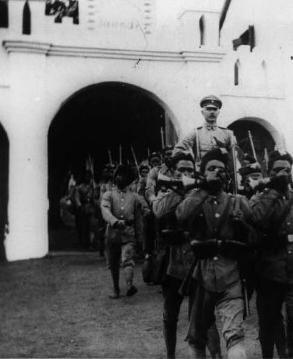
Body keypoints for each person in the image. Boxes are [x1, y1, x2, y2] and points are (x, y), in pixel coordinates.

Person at [176, 148, 253, 359]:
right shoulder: (195, 198)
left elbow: (256, 235)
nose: (216, 173)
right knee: (196, 335)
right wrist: (203, 189)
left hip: (231, 276)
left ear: (228, 175)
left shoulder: (239, 202)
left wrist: (243, 224)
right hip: (202, 276)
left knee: (234, 334)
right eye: (211, 169)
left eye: (220, 169)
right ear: (202, 173)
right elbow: (181, 215)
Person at [249, 150, 293, 359]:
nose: (283, 173)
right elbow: (256, 219)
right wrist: (272, 191)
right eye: (277, 170)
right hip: (269, 272)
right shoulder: (259, 199)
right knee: (268, 323)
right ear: (269, 172)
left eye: (287, 170)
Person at [152, 152, 222, 359]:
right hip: (173, 263)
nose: (186, 173)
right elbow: (159, 212)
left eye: (190, 170)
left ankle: (216, 356)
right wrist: (180, 188)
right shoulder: (167, 193)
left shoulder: (202, 192)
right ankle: (170, 355)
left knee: (204, 316)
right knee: (169, 316)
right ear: (173, 172)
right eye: (182, 170)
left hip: (198, 262)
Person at [101, 164, 150, 299]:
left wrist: (140, 237)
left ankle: (129, 286)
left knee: (127, 259)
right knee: (113, 263)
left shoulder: (134, 197)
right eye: (118, 175)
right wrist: (114, 222)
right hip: (112, 234)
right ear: (115, 177)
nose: (120, 177)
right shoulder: (108, 195)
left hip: (128, 233)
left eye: (124, 175)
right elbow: (105, 210)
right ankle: (116, 289)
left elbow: (139, 219)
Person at [172, 96, 235, 167]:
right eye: (208, 109)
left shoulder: (228, 133)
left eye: (214, 109)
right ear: (202, 112)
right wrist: (191, 164)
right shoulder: (196, 133)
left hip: (222, 172)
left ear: (218, 112)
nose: (212, 112)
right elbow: (179, 149)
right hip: (202, 173)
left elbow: (235, 156)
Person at [73, 170, 96, 250]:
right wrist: (80, 207)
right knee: (84, 228)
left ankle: (91, 244)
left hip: (90, 209)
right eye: (87, 176)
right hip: (83, 209)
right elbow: (77, 199)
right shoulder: (79, 188)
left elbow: (93, 198)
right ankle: (84, 244)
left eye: (89, 177)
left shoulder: (91, 187)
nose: (88, 178)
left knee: (91, 228)